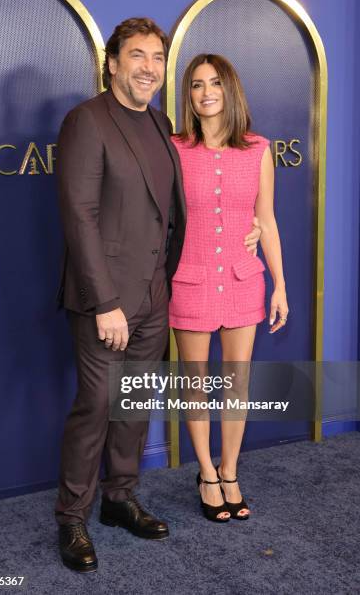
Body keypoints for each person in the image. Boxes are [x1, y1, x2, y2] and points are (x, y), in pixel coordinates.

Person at [55, 19, 261, 572]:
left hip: (154, 296)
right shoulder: (85, 121)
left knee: (135, 404)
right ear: (114, 63)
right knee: (96, 406)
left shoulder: (160, 122)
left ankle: (119, 499)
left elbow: (183, 208)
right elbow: (80, 217)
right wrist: (105, 303)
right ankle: (72, 518)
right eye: (137, 55)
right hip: (107, 301)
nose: (149, 66)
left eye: (157, 57)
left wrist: (252, 228)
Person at [169, 54, 289, 522]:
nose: (205, 92)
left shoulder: (258, 149)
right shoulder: (175, 148)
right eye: (196, 85)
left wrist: (279, 284)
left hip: (243, 280)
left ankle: (230, 470)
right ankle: (205, 473)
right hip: (191, 281)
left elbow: (268, 220)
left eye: (214, 82)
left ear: (230, 88)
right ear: (189, 95)